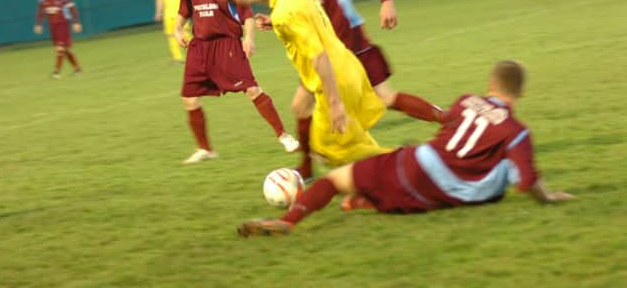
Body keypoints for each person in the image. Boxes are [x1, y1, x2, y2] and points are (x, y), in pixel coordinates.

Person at [237, 60, 575, 237]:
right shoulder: (516, 131)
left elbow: (444, 119)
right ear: (521, 93)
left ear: (490, 85)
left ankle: (290, 220)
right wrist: (550, 196)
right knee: (488, 177)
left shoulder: (465, 101)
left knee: (337, 180)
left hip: (415, 158)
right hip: (440, 186)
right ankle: (366, 199)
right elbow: (528, 183)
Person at [262, 0, 442, 178]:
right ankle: (308, 167)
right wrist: (271, 21)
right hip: (323, 53)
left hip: (351, 45)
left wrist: (386, 0)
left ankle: (447, 119)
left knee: (387, 97)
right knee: (300, 105)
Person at [231, 0, 391, 171]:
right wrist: (271, 19)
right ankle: (333, 177)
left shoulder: (285, 12)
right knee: (303, 109)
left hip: (334, 80)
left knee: (328, 152)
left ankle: (406, 159)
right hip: (347, 66)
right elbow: (307, 16)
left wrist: (335, 104)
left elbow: (319, 57)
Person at [175, 0, 298, 164]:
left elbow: (246, 11)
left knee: (252, 90)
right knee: (189, 98)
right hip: (200, 46)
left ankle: (283, 135)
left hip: (227, 44)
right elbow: (184, 8)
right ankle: (205, 149)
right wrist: (177, 28)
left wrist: (248, 37)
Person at [34, 0, 83, 78]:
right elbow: (40, 12)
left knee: (60, 48)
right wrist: (38, 24)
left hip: (63, 24)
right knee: (64, 50)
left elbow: (72, 9)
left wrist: (76, 22)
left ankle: (56, 72)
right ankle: (78, 69)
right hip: (52, 27)